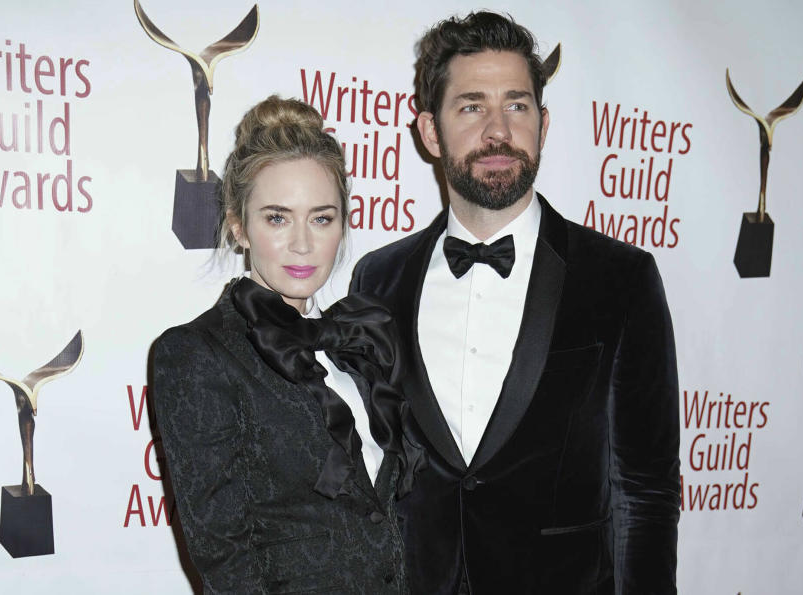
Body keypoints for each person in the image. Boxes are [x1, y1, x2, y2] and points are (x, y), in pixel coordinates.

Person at [350, 12, 680, 594]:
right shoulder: (378, 280)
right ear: (430, 132)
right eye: (472, 106)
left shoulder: (621, 278)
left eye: (517, 106)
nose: (498, 131)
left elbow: (646, 491)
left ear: (543, 124)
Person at [152, 96, 414, 594]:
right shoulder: (198, 355)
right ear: (238, 226)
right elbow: (226, 561)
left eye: (321, 218)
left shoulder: (357, 344)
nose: (302, 243)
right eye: (277, 218)